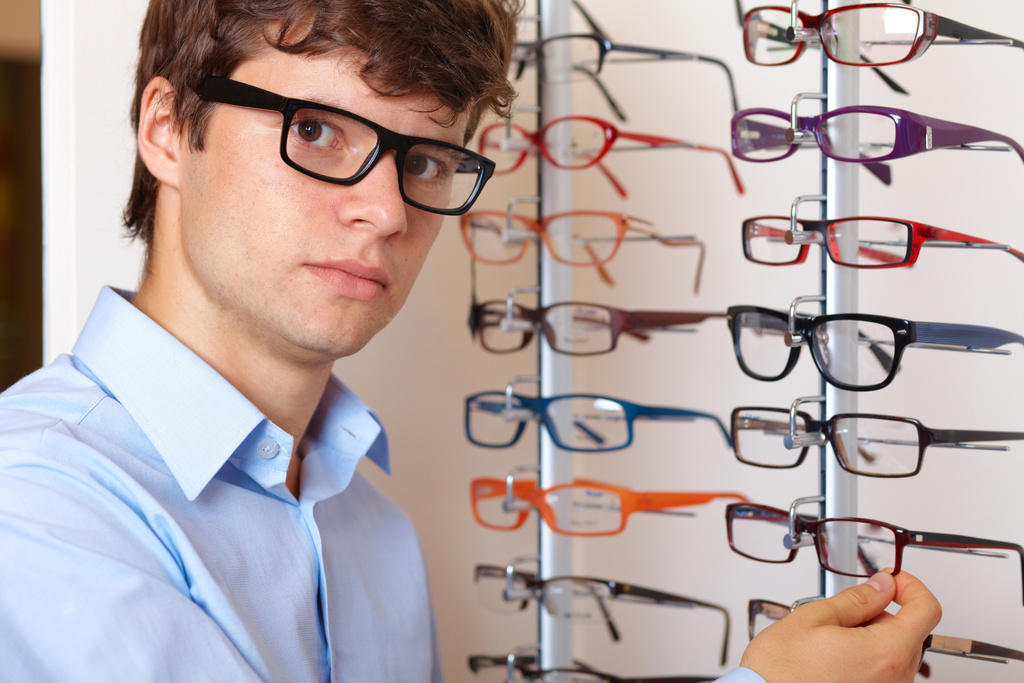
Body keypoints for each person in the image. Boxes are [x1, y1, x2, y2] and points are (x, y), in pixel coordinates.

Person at [0, 0, 939, 681]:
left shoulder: (371, 529)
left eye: (423, 158)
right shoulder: (35, 508)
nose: (381, 211)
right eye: (318, 130)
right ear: (168, 131)